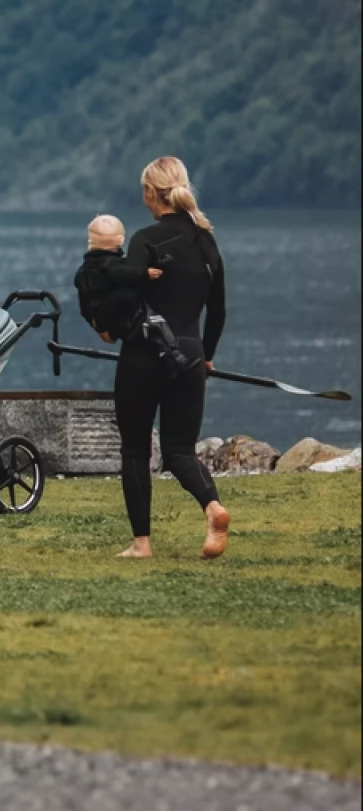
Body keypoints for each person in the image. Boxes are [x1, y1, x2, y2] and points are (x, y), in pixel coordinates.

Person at [113, 157, 230, 560]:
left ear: (150, 192)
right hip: (190, 353)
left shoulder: (145, 240)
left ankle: (141, 544)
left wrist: (105, 324)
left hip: (144, 352)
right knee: (180, 450)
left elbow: (125, 299)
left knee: (135, 450)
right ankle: (212, 508)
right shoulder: (207, 242)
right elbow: (218, 311)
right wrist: (207, 356)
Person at [74, 213, 161, 341]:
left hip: (95, 312)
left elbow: (83, 303)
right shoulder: (111, 264)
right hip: (109, 315)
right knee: (129, 294)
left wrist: (95, 324)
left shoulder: (86, 267)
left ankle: (103, 327)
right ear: (121, 240)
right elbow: (122, 273)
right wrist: (144, 273)